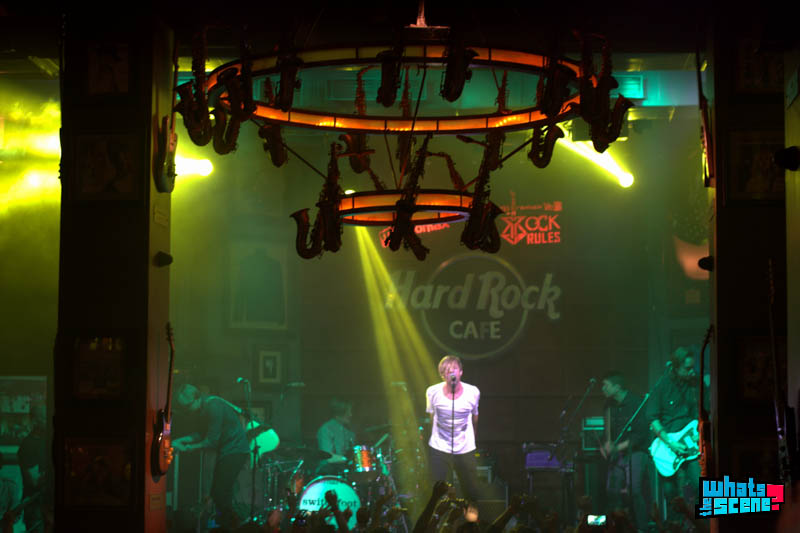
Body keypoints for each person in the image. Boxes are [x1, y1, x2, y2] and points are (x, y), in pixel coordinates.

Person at [172, 383, 250, 529]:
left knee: (220, 493)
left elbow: (211, 441)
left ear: (197, 398)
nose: (187, 411)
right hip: (228, 451)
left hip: (236, 450)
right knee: (219, 493)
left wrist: (187, 448)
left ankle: (234, 525)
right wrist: (180, 440)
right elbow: (201, 434)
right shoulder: (202, 409)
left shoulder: (214, 406)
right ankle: (230, 525)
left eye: (187, 406)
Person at [648, 346, 701, 523]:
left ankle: (700, 525)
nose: (692, 371)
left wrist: (700, 432)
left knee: (700, 485)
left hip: (692, 445)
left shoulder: (696, 385)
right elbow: (653, 419)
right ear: (676, 367)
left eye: (693, 367)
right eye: (687, 368)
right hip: (669, 446)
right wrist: (670, 442)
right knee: (670, 492)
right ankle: (675, 526)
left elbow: (705, 412)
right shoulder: (662, 386)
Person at [600, 371, 651, 532]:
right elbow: (607, 431)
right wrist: (604, 445)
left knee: (634, 491)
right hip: (617, 454)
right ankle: (616, 527)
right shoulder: (608, 406)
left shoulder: (636, 403)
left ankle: (642, 528)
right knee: (612, 491)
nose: (603, 389)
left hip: (636, 452)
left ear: (617, 387)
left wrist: (617, 447)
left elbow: (641, 435)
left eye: (606, 385)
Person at [425, 355, 480, 502]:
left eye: (454, 369)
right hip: (439, 446)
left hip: (465, 447)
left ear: (461, 372)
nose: (451, 372)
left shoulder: (473, 392)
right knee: (437, 492)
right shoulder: (432, 392)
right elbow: (431, 418)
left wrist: (471, 441)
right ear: (442, 375)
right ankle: (439, 516)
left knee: (471, 493)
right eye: (447, 370)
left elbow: (475, 417)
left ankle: (470, 516)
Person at [17, 403, 48, 533]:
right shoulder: (28, 444)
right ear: (35, 420)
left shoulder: (47, 440)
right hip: (36, 506)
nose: (48, 421)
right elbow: (34, 480)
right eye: (45, 417)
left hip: (44, 505)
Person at [317, 398, 356, 473]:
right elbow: (327, 457)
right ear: (339, 412)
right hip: (329, 473)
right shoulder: (326, 429)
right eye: (348, 412)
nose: (351, 415)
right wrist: (348, 459)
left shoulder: (350, 431)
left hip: (345, 471)